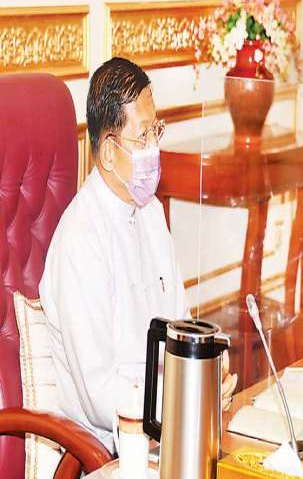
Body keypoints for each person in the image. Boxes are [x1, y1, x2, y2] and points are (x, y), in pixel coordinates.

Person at [39, 57, 236, 452]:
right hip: (108, 449)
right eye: (143, 136)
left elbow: (179, 323)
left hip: (169, 425)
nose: (154, 149)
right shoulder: (80, 238)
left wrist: (208, 367)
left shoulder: (150, 213)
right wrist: (185, 402)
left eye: (156, 131)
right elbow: (99, 395)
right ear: (108, 153)